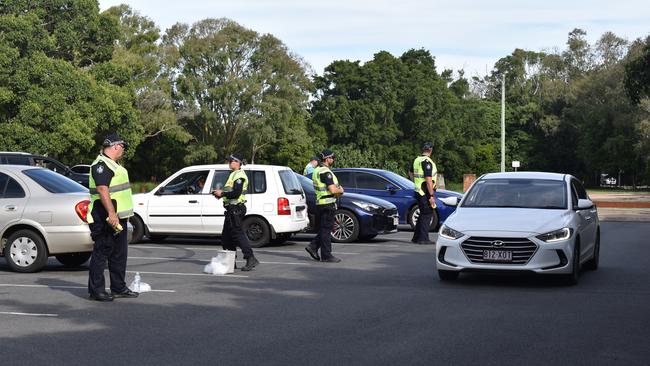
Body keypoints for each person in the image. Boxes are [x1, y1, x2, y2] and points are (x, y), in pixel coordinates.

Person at [87, 132, 139, 301]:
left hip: (118, 217)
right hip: (105, 216)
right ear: (116, 146)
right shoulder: (101, 165)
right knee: (101, 253)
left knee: (119, 254)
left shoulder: (113, 164)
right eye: (123, 147)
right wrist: (111, 213)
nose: (123, 150)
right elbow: (103, 189)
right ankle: (96, 291)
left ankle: (118, 287)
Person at [212, 153, 259, 271]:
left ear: (237, 163)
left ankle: (250, 258)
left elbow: (237, 193)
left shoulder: (239, 175)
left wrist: (222, 193)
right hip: (231, 209)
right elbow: (230, 192)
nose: (229, 163)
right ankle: (230, 262)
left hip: (236, 209)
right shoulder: (233, 174)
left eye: (231, 161)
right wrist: (220, 194)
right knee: (226, 237)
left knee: (238, 235)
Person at [305, 149, 344, 263]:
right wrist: (341, 190)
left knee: (324, 229)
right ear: (327, 159)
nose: (333, 160)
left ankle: (313, 246)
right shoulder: (325, 172)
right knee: (326, 230)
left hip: (321, 203)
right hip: (327, 204)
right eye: (332, 158)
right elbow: (332, 189)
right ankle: (326, 255)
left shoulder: (317, 171)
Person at [411, 142, 437, 244]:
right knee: (427, 213)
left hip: (418, 190)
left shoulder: (417, 160)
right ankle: (423, 239)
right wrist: (431, 195)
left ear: (423, 149)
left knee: (423, 213)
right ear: (430, 150)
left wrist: (416, 182)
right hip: (425, 192)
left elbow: (410, 172)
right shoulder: (427, 162)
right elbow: (428, 179)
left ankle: (416, 237)